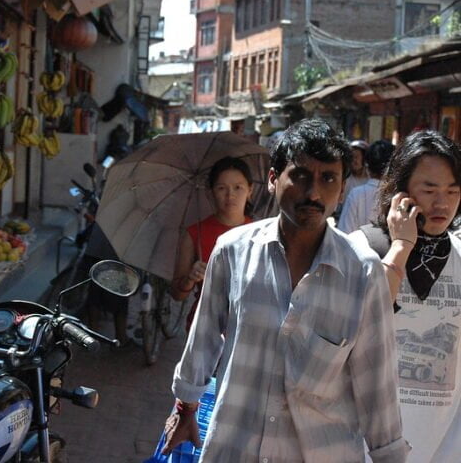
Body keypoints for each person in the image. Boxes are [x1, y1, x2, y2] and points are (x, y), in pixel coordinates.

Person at [162, 118, 409, 462]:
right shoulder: (232, 251)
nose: (313, 193)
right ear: (274, 180)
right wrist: (185, 406)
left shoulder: (362, 272)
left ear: (341, 189)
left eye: (328, 179)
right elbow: (204, 336)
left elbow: (376, 382)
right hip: (235, 446)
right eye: (301, 176)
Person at [351, 130, 461, 462]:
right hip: (366, 445)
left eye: (453, 191)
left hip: (444, 446)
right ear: (401, 192)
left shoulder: (459, 253)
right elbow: (366, 320)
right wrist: (401, 247)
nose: (442, 203)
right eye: (429, 190)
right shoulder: (364, 248)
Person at [170, 156, 253, 330]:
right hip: (205, 326)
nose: (230, 195)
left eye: (238, 187)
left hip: (248, 328)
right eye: (222, 188)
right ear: (210, 193)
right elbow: (177, 294)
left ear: (249, 190)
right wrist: (190, 279)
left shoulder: (261, 232)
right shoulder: (194, 233)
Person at [338, 138, 395, 233]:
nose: (354, 160)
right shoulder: (399, 195)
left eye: (357, 157)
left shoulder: (356, 194)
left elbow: (344, 234)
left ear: (367, 165)